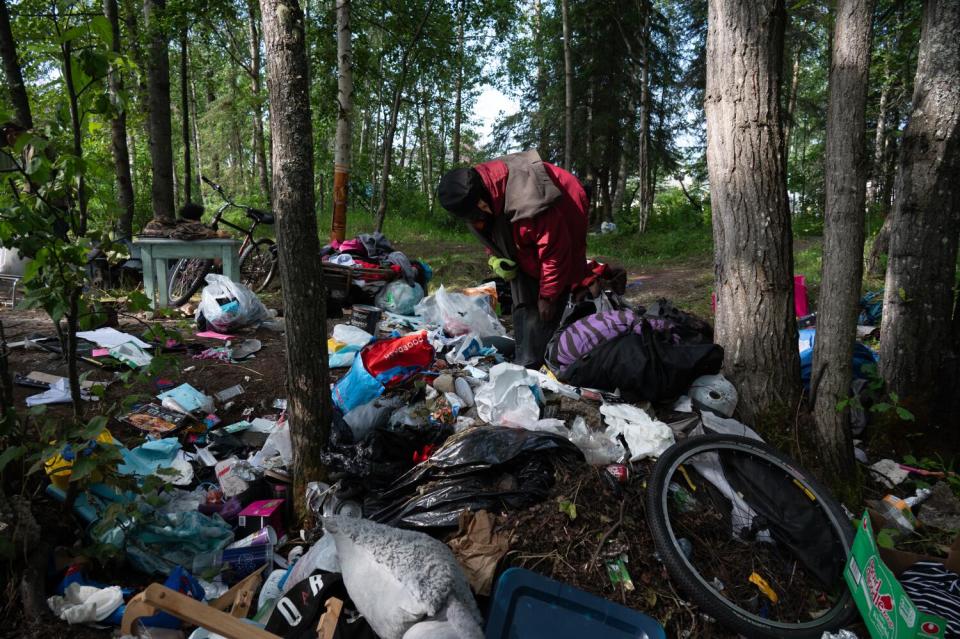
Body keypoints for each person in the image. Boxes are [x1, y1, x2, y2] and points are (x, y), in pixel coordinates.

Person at [437, 149, 589, 368]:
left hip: (565, 201)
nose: (474, 220)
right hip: (519, 216)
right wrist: (496, 258)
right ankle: (525, 350)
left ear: (482, 204)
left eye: (476, 215)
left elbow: (555, 252)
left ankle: (536, 359)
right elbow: (489, 231)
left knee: (548, 297)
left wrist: (548, 296)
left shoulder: (531, 202)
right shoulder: (473, 195)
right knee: (523, 284)